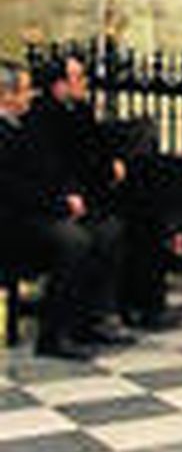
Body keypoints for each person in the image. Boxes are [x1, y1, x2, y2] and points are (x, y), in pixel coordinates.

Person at [0, 60, 125, 359]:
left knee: (108, 230)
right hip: (13, 221)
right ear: (6, 94)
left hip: (43, 211)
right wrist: (59, 204)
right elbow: (11, 189)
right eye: (26, 90)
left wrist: (71, 193)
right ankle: (53, 335)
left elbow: (56, 166)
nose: (32, 96)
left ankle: (88, 320)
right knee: (74, 241)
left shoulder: (29, 124)